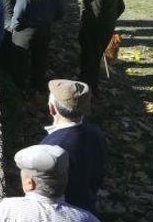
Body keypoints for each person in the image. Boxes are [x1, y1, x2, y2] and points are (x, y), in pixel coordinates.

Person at [40, 79, 106, 214]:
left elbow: (43, 194)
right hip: (88, 210)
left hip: (61, 216)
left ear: (52, 108)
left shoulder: (51, 147)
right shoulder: (96, 134)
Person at [10, 0, 63, 91]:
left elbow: (18, 16)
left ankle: (20, 89)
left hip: (25, 32)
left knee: (21, 62)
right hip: (45, 30)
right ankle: (37, 88)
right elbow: (60, 12)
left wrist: (14, 28)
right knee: (40, 61)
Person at [79, 0, 125, 94]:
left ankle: (86, 90)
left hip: (92, 34)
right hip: (106, 32)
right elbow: (121, 7)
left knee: (88, 63)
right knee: (95, 59)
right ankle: (93, 87)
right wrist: (108, 22)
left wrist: (85, 33)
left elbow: (93, 16)